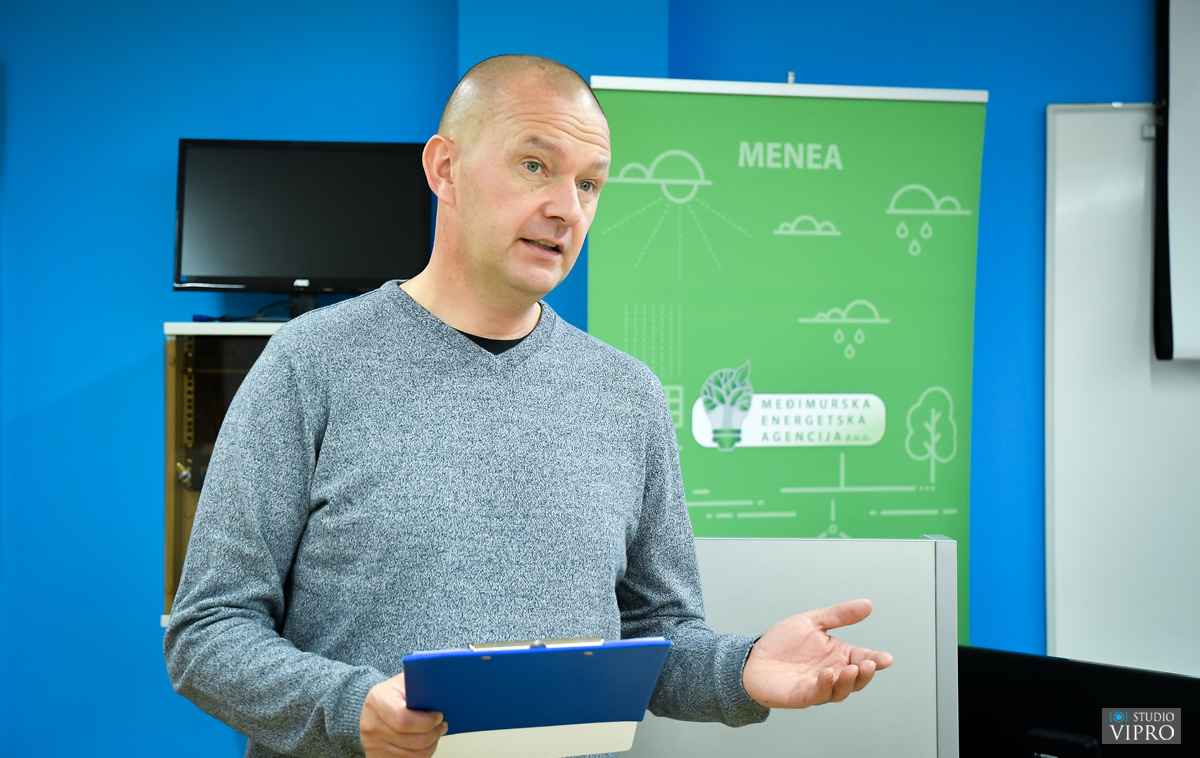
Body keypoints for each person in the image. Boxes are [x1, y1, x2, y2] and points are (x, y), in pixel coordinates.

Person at [164, 54, 893, 758]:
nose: (566, 208)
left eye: (590, 183)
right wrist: (351, 709)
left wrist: (743, 668)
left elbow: (656, 636)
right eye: (535, 166)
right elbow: (207, 632)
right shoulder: (310, 363)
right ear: (445, 169)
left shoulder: (627, 395)